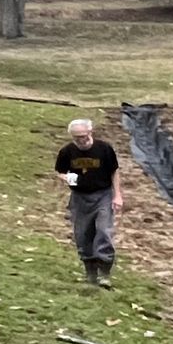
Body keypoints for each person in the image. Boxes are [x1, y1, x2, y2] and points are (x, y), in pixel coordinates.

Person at [54, 118, 122, 287]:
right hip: (80, 198)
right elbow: (60, 172)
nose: (81, 140)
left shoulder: (104, 149)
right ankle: (90, 272)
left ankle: (104, 273)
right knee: (83, 234)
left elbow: (114, 172)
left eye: (83, 136)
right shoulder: (67, 152)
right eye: (76, 137)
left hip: (103, 195)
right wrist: (66, 178)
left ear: (90, 133)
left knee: (104, 231)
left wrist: (117, 195)